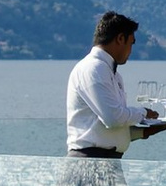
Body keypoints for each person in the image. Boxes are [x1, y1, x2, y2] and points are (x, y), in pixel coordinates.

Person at [65, 13, 154, 159]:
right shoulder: (94, 68)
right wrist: (143, 113)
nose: (131, 51)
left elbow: (104, 128)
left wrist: (145, 131)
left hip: (106, 161)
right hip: (89, 162)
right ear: (120, 39)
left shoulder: (111, 73)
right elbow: (113, 118)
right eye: (131, 43)